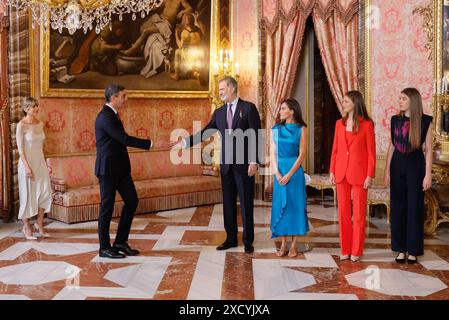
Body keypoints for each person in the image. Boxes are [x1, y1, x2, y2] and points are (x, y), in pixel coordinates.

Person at [174, 76, 262, 253]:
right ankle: (230, 239)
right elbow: (206, 132)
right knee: (228, 203)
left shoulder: (248, 108)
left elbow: (256, 135)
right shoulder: (219, 113)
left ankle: (248, 240)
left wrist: (254, 160)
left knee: (245, 203)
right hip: (226, 165)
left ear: (232, 89)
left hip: (245, 165)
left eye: (222, 89)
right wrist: (185, 143)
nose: (219, 92)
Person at [95, 84, 153, 259]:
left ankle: (120, 241)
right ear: (114, 98)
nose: (126, 99)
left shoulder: (113, 115)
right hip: (108, 170)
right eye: (124, 96)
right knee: (107, 208)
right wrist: (150, 144)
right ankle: (104, 247)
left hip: (120, 169)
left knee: (132, 201)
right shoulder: (105, 117)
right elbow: (124, 139)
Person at [384, 88, 433, 264]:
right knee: (398, 207)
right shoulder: (395, 120)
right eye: (399, 98)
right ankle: (400, 249)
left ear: (413, 101)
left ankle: (413, 250)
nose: (400, 101)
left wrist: (428, 175)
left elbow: (428, 150)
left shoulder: (425, 121)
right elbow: (391, 146)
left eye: (403, 98)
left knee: (414, 208)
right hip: (397, 164)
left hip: (416, 165)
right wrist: (387, 171)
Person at [329, 91, 376, 262]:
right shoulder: (338, 124)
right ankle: (345, 249)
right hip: (341, 173)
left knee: (358, 215)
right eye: (343, 100)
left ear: (355, 103)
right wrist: (332, 170)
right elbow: (335, 150)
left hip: (359, 175)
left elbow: (371, 153)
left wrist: (370, 175)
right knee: (343, 214)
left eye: (346, 101)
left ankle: (356, 250)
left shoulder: (367, 125)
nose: (343, 103)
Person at [270, 99, 309, 258]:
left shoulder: (302, 129)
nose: (280, 111)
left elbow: (302, 154)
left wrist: (289, 174)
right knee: (281, 207)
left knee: (295, 206)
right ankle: (283, 243)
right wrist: (277, 173)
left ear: (292, 111)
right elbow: (272, 153)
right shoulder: (276, 128)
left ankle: (294, 245)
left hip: (294, 172)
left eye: (283, 108)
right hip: (279, 170)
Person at [16, 97, 52, 240]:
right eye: (33, 107)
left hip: (40, 163)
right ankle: (26, 226)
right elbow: (20, 150)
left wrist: (47, 163)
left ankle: (39, 224)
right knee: (27, 194)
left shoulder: (40, 123)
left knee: (45, 192)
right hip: (27, 163)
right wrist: (26, 167)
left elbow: (42, 146)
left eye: (37, 106)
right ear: (26, 109)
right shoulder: (21, 125)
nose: (36, 108)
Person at [170, 12, 203, 81]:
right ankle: (197, 74)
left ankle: (176, 75)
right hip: (198, 53)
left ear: (186, 22)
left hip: (189, 55)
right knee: (193, 71)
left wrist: (176, 34)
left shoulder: (185, 33)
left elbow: (180, 46)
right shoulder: (198, 30)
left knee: (177, 52)